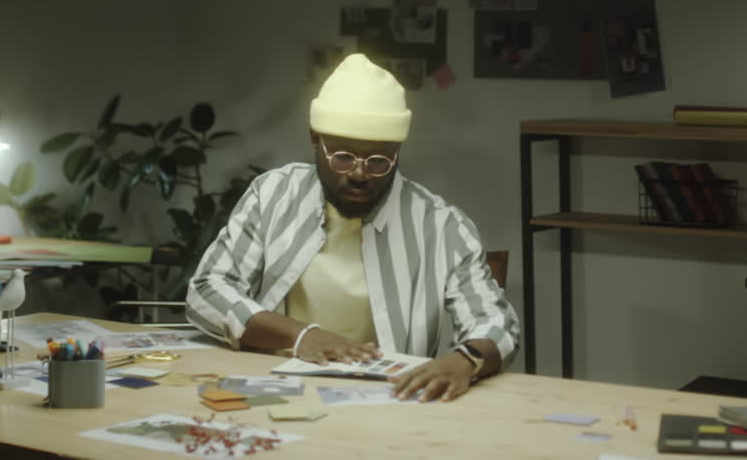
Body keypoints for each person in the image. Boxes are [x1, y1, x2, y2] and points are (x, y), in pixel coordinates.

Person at [186, 53, 518, 402]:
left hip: (390, 399)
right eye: (342, 157)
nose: (359, 174)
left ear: (398, 151)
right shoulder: (273, 195)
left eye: (379, 160)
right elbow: (207, 289)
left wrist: (465, 361)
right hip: (275, 389)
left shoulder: (442, 225)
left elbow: (496, 322)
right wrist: (302, 337)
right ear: (315, 140)